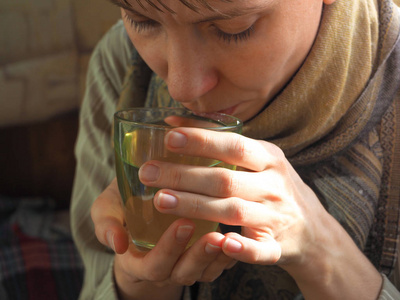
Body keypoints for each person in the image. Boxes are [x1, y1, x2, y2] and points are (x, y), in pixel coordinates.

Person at [70, 0, 400, 299]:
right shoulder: (120, 63)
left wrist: (324, 256)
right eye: (143, 22)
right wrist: (141, 284)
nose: (181, 87)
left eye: (234, 29)